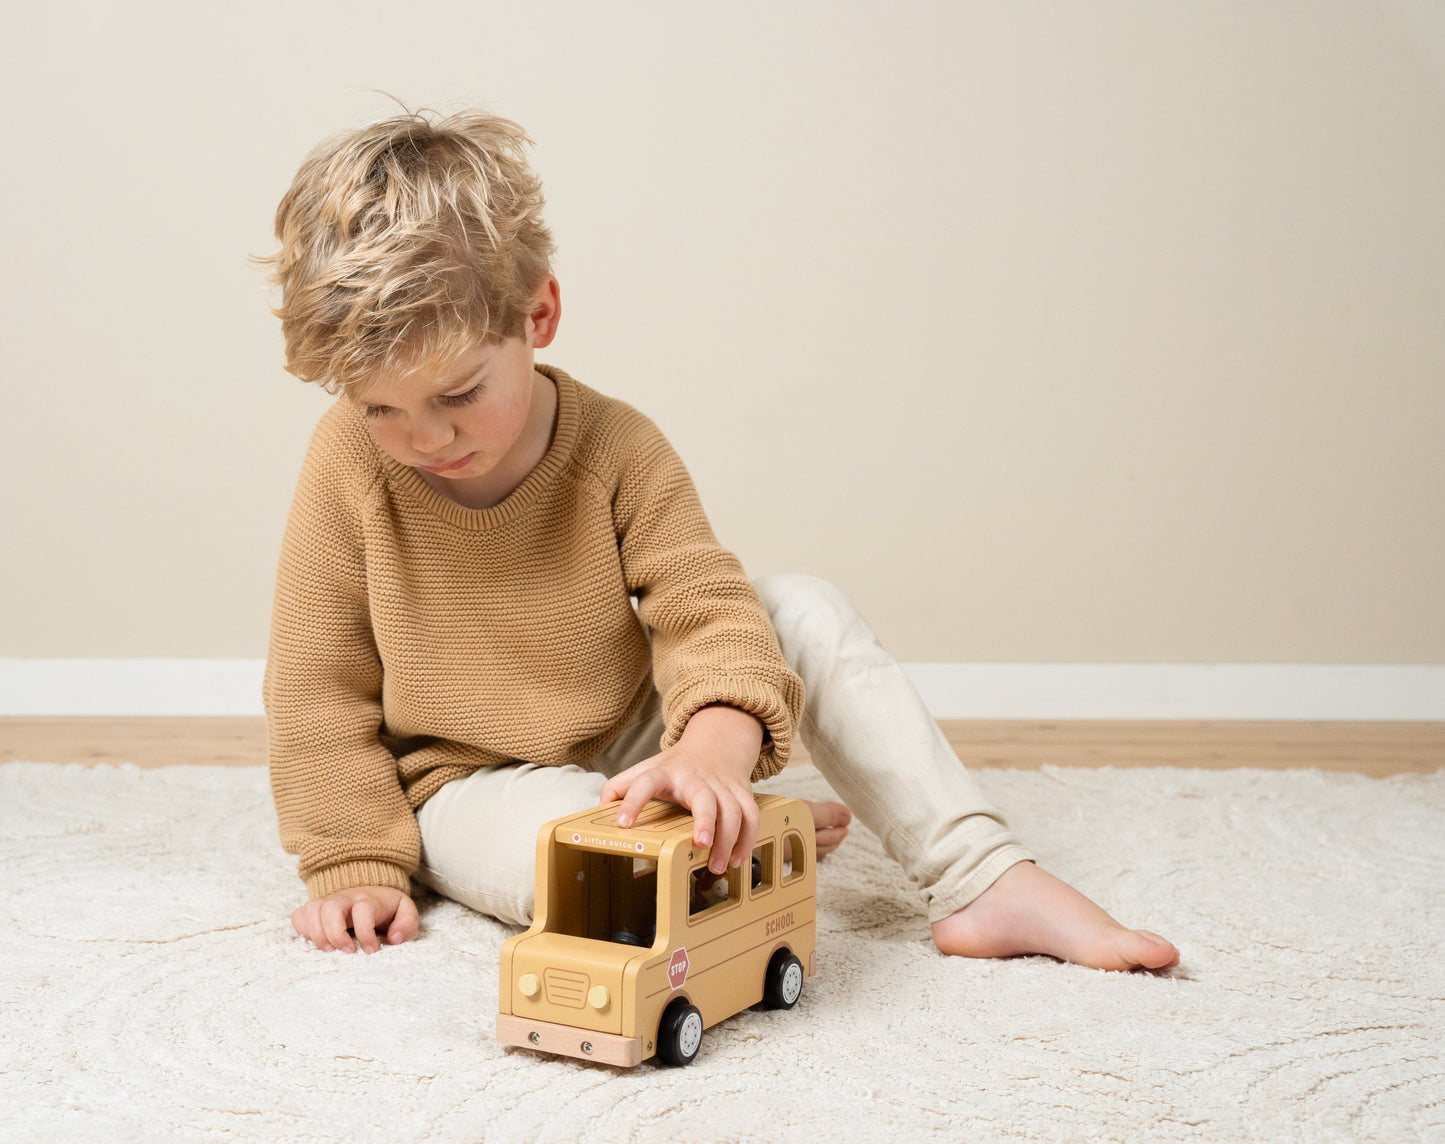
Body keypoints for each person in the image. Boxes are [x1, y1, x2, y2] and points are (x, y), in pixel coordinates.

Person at [256, 106, 1179, 974]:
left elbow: (707, 614)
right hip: (465, 782)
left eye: (457, 394)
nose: (426, 437)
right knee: (584, 864)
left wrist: (712, 747)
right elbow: (317, 680)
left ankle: (981, 876)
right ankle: (726, 841)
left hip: (626, 729)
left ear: (537, 315)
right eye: (380, 406)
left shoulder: (618, 446)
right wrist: (353, 859)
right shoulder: (347, 465)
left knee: (802, 606)